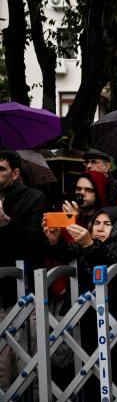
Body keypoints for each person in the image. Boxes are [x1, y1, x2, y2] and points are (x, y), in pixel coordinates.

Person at [42, 206, 117, 388]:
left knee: (110, 371)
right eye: (97, 223)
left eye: (107, 224)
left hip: (114, 318)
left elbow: (112, 260)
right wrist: (55, 241)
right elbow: (70, 252)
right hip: (86, 317)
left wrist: (89, 245)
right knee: (87, 370)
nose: (100, 228)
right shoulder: (88, 244)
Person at [0, 149, 48, 389]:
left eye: (0, 169)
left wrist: (6, 222)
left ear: (15, 173)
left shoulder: (34, 198)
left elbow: (34, 243)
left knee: (24, 359)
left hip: (20, 291)